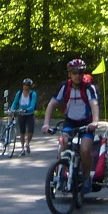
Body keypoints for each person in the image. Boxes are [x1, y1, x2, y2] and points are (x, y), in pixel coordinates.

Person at [42, 58, 100, 193]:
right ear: (69, 74)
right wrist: (46, 124)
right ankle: (60, 173)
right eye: (74, 73)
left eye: (80, 73)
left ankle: (86, 178)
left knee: (85, 150)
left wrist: (95, 121)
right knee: (64, 143)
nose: (78, 76)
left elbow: (94, 104)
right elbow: (51, 105)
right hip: (70, 121)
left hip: (87, 122)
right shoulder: (64, 87)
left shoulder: (88, 88)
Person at [9, 78, 37, 155]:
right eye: (24, 85)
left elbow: (32, 106)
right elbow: (15, 102)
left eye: (27, 85)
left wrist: (26, 110)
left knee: (30, 131)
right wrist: (12, 110)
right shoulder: (19, 93)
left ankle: (27, 143)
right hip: (21, 115)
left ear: (30, 86)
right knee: (22, 132)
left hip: (29, 114)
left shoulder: (33, 94)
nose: (25, 86)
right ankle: (22, 148)